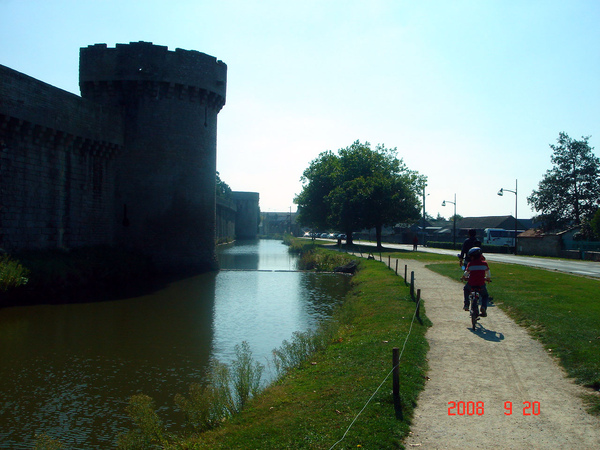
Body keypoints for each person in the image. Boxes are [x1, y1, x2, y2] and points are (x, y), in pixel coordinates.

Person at [461, 247, 491, 316]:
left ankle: (466, 304)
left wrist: (464, 277)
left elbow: (466, 273)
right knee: (485, 295)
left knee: (466, 289)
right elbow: (488, 273)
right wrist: (488, 278)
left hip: (471, 283)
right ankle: (483, 307)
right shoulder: (484, 264)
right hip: (481, 283)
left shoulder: (470, 264)